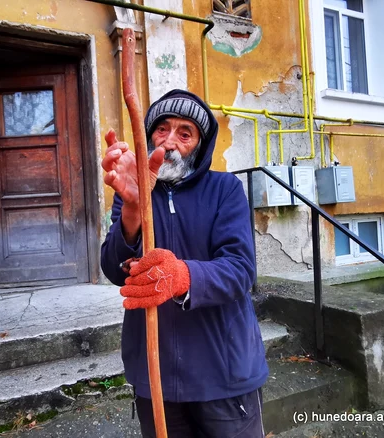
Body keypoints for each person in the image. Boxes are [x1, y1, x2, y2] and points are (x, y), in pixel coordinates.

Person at [100, 89, 268, 437]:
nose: (170, 142)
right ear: (148, 137)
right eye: (162, 129)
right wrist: (132, 207)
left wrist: (183, 275)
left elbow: (240, 269)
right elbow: (114, 268)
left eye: (184, 133)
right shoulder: (132, 190)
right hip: (155, 373)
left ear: (201, 145)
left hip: (223, 371)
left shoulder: (226, 189)